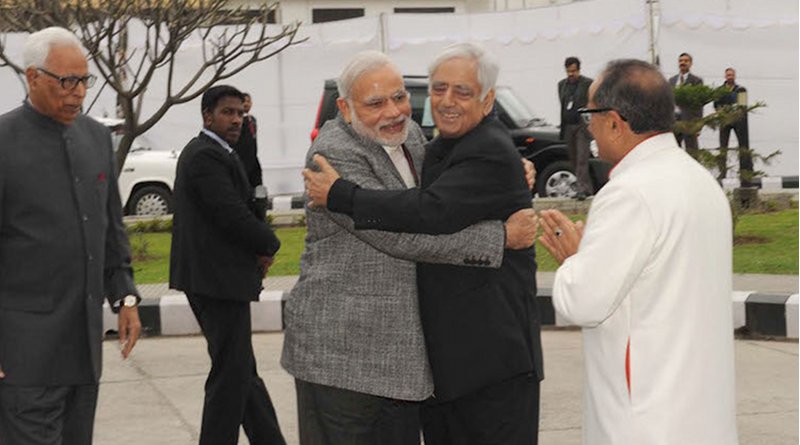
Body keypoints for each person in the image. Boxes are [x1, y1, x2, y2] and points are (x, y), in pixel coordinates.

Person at [282, 50, 539, 445]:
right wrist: (499, 238)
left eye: (399, 97)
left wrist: (508, 170)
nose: (394, 112)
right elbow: (399, 236)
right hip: (344, 358)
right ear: (344, 108)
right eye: (375, 103)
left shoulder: (413, 136)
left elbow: (446, 191)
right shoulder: (331, 156)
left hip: (405, 366)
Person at [539, 59, 738, 444]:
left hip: (645, 421)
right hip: (701, 415)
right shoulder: (698, 180)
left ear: (614, 121)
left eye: (589, 115)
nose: (589, 126)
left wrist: (575, 260)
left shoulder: (629, 193)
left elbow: (582, 302)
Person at [0, 27, 142, 444]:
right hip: (24, 355)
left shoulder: (96, 138)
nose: (77, 92)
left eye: (83, 80)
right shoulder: (3, 142)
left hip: (83, 351)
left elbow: (111, 230)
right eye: (66, 81)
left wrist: (125, 296)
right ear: (32, 77)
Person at [169, 85, 285, 445]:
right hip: (214, 281)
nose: (236, 119)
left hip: (219, 279)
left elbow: (249, 177)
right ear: (207, 115)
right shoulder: (204, 156)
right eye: (227, 113)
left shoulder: (222, 150)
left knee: (241, 373)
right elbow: (230, 213)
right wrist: (269, 243)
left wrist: (248, 135)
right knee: (230, 375)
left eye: (240, 114)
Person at [558, 56, 594, 199]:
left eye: (573, 71)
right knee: (573, 158)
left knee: (582, 158)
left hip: (582, 126)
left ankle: (582, 189)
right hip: (568, 125)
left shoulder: (587, 84)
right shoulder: (562, 85)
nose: (571, 74)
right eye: (568, 71)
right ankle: (585, 188)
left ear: (579, 70)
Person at [713, 67, 752, 180]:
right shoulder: (719, 90)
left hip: (738, 121)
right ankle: (722, 172)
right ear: (725, 76)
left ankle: (745, 170)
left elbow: (743, 106)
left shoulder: (741, 89)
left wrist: (737, 114)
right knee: (723, 146)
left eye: (732, 75)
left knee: (743, 145)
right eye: (728, 75)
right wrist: (721, 112)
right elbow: (716, 105)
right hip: (724, 120)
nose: (730, 77)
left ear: (734, 76)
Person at [668, 52, 704, 153]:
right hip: (674, 121)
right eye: (680, 61)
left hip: (689, 120)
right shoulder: (672, 81)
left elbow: (699, 103)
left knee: (692, 150)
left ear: (691, 63)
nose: (682, 63)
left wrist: (698, 124)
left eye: (685, 61)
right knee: (673, 150)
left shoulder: (696, 81)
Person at [234, 92, 263, 189]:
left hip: (253, 157)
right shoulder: (237, 121)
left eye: (249, 101)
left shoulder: (252, 120)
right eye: (244, 102)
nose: (246, 104)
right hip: (242, 157)